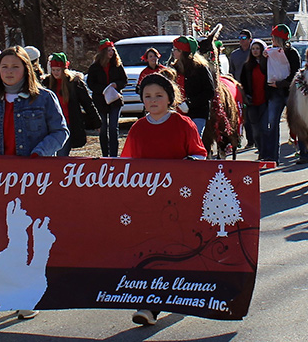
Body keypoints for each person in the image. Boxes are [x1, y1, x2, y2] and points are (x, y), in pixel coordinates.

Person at [0, 46, 68, 320]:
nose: (9, 72)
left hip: (36, 180)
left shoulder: (44, 98)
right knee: (9, 238)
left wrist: (40, 152)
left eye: (15, 67)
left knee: (33, 236)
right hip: (2, 182)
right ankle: (13, 291)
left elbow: (61, 132)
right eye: (4, 67)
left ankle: (29, 295)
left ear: (26, 69)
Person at [119, 73, 206, 325]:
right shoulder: (138, 129)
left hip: (180, 202)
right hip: (147, 205)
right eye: (147, 96)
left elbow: (199, 155)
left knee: (179, 251)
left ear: (170, 97)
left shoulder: (183, 124)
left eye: (158, 95)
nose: (153, 100)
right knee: (151, 253)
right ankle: (148, 305)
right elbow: (126, 165)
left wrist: (187, 166)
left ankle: (191, 292)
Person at [43, 52, 99, 157]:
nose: (55, 73)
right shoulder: (46, 83)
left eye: (58, 70)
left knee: (62, 155)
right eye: (53, 70)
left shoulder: (74, 83)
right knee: (49, 154)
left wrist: (96, 122)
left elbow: (87, 103)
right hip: (49, 124)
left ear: (64, 69)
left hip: (67, 124)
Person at [261, 24, 301, 164]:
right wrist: (263, 58)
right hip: (274, 94)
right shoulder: (270, 52)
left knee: (297, 122)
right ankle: (272, 156)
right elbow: (264, 71)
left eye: (273, 37)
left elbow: (296, 74)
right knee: (272, 123)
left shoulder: (292, 53)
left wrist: (280, 84)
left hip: (289, 92)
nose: (271, 39)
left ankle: (303, 153)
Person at [86, 39, 127, 158]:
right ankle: (105, 154)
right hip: (100, 101)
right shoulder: (95, 67)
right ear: (103, 52)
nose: (111, 53)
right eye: (109, 50)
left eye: (112, 50)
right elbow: (91, 83)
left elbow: (124, 80)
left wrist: (116, 85)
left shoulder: (117, 65)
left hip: (115, 100)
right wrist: (103, 90)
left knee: (113, 127)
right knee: (103, 128)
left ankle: (114, 155)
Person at [170, 36, 217, 138]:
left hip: (197, 113)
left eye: (175, 49)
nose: (173, 52)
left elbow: (209, 91)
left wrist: (189, 103)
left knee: (193, 139)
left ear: (182, 51)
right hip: (178, 113)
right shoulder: (174, 68)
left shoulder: (200, 68)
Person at [238, 38, 269, 156]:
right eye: (253, 49)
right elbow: (242, 84)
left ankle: (267, 153)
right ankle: (261, 151)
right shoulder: (247, 66)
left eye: (257, 48)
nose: (255, 51)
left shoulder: (267, 64)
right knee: (256, 131)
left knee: (265, 129)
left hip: (265, 101)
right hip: (252, 103)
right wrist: (246, 96)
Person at [228, 30, 253, 147]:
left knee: (252, 115)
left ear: (250, 40)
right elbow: (231, 71)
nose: (241, 40)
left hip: (252, 87)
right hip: (238, 88)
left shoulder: (253, 52)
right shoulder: (234, 55)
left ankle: (254, 139)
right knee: (240, 114)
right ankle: (239, 139)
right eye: (240, 38)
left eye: (244, 38)